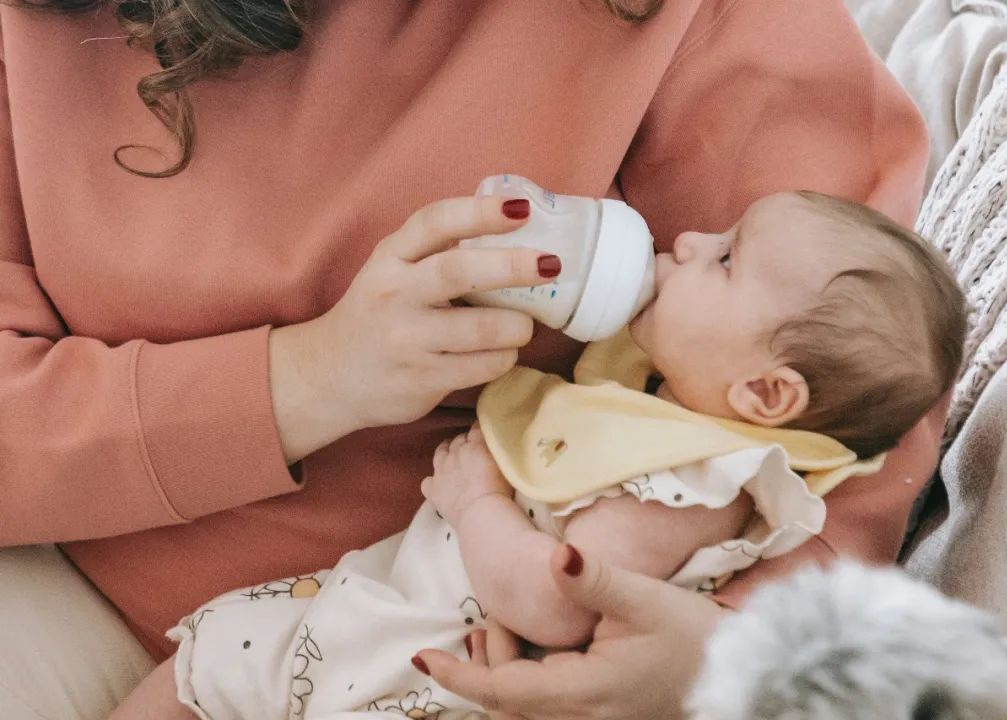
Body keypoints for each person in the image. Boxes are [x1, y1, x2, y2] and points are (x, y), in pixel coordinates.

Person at [0, 1, 934, 717]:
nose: (688, 251)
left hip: (471, 655)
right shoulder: (40, 40)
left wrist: (722, 653)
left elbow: (856, 396)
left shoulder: (683, 29)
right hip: (84, 583)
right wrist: (308, 379)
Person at [109, 191, 965, 719]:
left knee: (210, 667)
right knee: (208, 662)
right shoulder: (656, 402)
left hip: (427, 671)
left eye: (727, 257)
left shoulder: (695, 482)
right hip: (382, 619)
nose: (693, 239)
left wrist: (477, 499)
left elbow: (558, 599)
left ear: (766, 397)